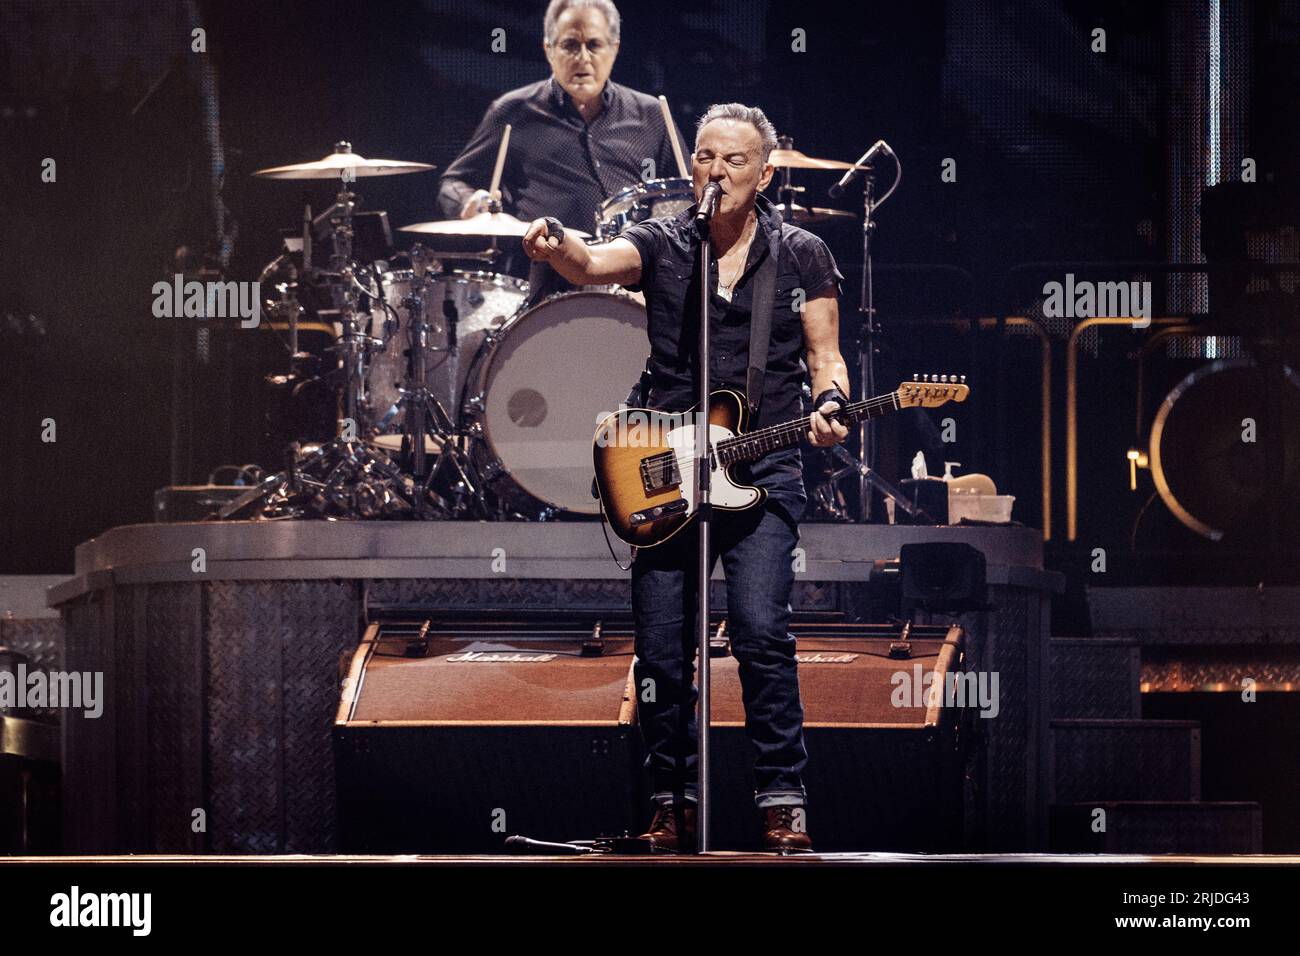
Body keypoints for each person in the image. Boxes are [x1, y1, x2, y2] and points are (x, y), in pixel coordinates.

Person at [522, 103, 851, 853]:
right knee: (663, 648)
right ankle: (673, 800)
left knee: (763, 634)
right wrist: (557, 242)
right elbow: (596, 262)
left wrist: (831, 402)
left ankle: (782, 803)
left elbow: (826, 356)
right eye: (705, 156)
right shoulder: (666, 240)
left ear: (765, 173)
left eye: (734, 160)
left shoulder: (801, 253)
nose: (716, 171)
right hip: (664, 462)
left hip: (762, 463)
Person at [437, 0, 687, 302]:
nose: (583, 58)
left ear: (614, 48)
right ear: (548, 49)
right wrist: (470, 201)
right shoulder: (514, 112)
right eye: (570, 45)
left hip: (632, 284)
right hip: (543, 282)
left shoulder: (651, 114)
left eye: (594, 45)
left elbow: (685, 197)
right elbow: (453, 182)